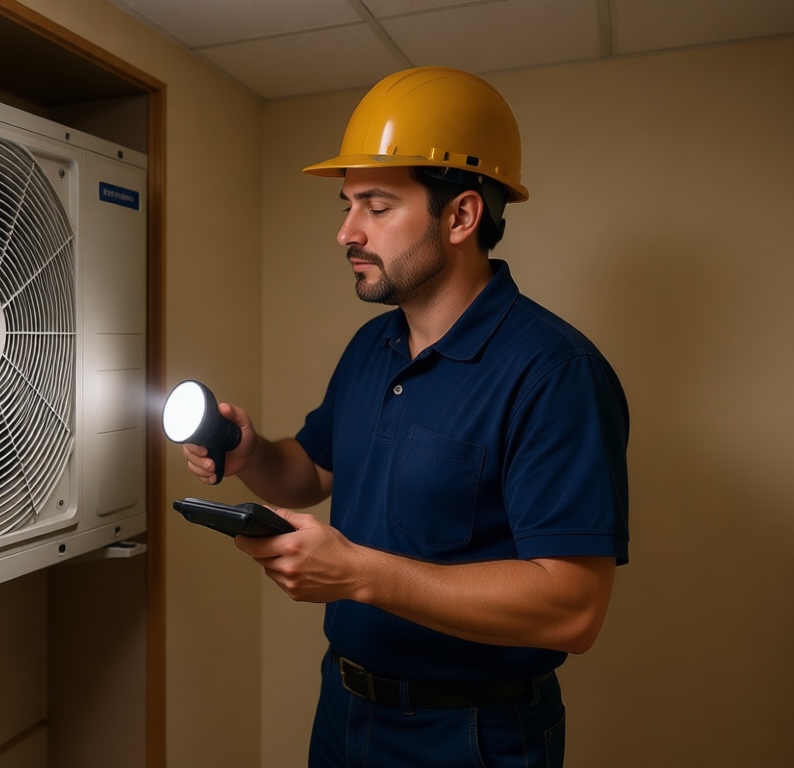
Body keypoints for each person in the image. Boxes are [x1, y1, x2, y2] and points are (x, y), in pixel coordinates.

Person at [180, 67, 630, 767]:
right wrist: (254, 455)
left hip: (474, 734)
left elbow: (573, 609)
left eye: (377, 206)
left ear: (461, 216)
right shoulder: (373, 345)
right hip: (346, 709)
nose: (346, 233)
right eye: (346, 204)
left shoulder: (555, 373)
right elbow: (312, 471)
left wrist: (359, 574)